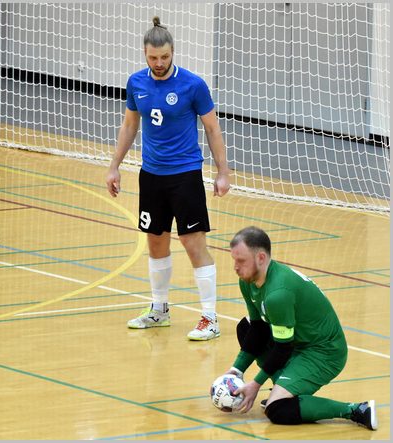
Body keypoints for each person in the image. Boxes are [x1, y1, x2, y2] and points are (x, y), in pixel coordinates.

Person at [106, 17, 230, 340]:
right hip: (151, 176)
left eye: (164, 57)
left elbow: (213, 128)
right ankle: (159, 309)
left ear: (173, 52)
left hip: (185, 176)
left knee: (193, 243)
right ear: (145, 54)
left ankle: (210, 317)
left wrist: (222, 172)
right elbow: (130, 125)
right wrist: (114, 166)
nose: (159, 63)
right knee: (156, 241)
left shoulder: (193, 85)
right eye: (153, 58)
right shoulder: (136, 83)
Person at [221, 226, 377, 430]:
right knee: (246, 327)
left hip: (324, 352)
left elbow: (282, 348)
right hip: (297, 343)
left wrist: (255, 384)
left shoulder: (278, 294)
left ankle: (356, 410)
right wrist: (235, 371)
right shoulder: (248, 282)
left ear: (261, 258)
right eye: (234, 260)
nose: (235, 267)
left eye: (241, 261)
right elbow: (259, 329)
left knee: (277, 410)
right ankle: (283, 390)